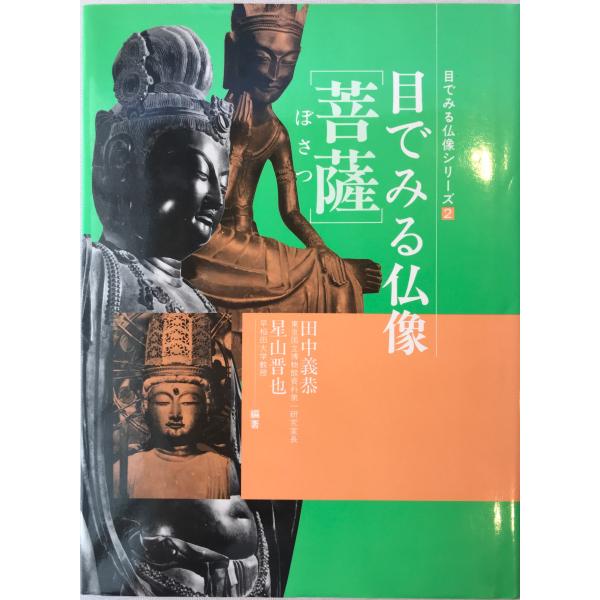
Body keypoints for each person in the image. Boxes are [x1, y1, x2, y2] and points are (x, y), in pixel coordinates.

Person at [81, 25, 300, 596]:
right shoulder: (104, 276)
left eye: (223, 180)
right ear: (122, 158)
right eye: (201, 174)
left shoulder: (193, 302)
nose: (216, 198)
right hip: (152, 566)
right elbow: (180, 485)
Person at [183, 4, 382, 370]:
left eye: (287, 62)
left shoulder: (277, 133)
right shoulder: (208, 120)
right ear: (237, 54)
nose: (275, 75)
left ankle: (342, 386)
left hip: (247, 244)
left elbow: (290, 212)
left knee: (331, 276)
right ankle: (327, 271)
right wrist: (237, 146)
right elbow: (208, 210)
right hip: (208, 245)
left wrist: (324, 252)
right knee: (320, 274)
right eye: (264, 58)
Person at [114, 314, 239, 499]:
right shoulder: (124, 470)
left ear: (206, 405)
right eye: (163, 402)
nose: (175, 414)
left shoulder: (224, 470)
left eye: (188, 402)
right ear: (146, 405)